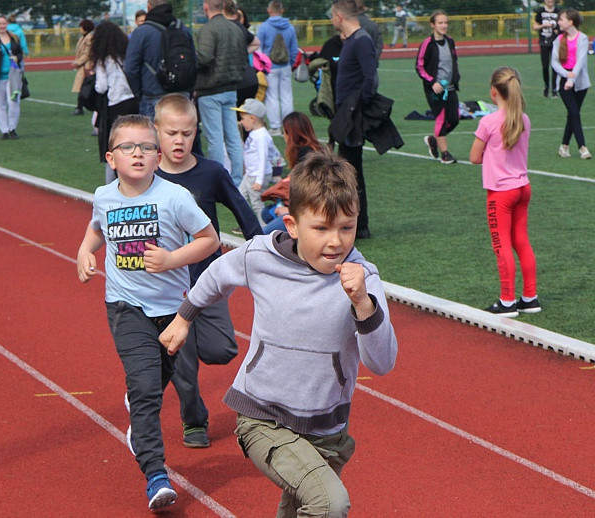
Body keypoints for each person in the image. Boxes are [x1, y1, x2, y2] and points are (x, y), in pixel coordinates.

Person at [160, 151, 398, 518]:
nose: (335, 241)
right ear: (292, 225)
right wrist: (184, 316)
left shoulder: (363, 278)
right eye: (321, 228)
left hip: (327, 430)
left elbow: (382, 363)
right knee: (329, 503)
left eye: (346, 227)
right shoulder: (261, 256)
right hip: (263, 416)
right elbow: (217, 274)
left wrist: (364, 305)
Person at [76, 114, 220, 511]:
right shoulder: (104, 196)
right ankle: (156, 475)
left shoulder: (174, 197)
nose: (137, 154)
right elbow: (97, 227)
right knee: (145, 390)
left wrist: (172, 259)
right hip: (125, 308)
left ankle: (138, 417)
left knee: (152, 387)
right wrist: (85, 251)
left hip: (173, 313)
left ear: (158, 157)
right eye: (127, 147)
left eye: (146, 147)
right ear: (111, 157)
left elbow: (210, 240)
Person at [153, 94, 262, 448]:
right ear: (157, 132)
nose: (179, 141)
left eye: (186, 133)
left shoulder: (211, 172)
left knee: (222, 350)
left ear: (196, 131)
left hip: (208, 280)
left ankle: (194, 334)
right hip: (167, 286)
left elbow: (243, 212)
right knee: (181, 361)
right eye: (171, 133)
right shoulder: (146, 177)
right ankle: (194, 421)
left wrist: (264, 251)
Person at [469, 67, 540, 317]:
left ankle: (507, 300)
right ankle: (530, 297)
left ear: (493, 91)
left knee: (502, 245)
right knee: (521, 241)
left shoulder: (488, 122)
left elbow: (474, 157)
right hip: (522, 188)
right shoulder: (524, 119)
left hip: (501, 193)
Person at [330, 0, 377, 240]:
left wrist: (357, 108)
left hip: (352, 114)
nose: (331, 20)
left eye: (332, 16)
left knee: (351, 170)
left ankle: (360, 225)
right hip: (346, 112)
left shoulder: (361, 40)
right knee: (348, 169)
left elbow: (371, 78)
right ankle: (355, 223)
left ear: (339, 16)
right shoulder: (352, 40)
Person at [194, 0, 248, 187]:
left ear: (206, 7)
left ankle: (217, 182)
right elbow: (244, 58)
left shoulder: (209, 29)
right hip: (231, 88)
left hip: (210, 90)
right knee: (233, 136)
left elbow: (204, 57)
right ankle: (237, 180)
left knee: (215, 138)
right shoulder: (236, 28)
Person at [124, 0, 196, 120]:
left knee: (153, 132)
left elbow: (130, 68)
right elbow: (193, 62)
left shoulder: (141, 32)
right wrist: (189, 89)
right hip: (181, 94)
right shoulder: (183, 29)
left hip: (153, 95)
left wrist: (139, 92)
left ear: (149, 6)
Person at [262, 111, 331, 234]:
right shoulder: (315, 149)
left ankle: (298, 238)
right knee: (267, 212)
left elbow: (310, 193)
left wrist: (288, 210)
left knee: (264, 233)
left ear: (291, 134)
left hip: (313, 210)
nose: (284, 136)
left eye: (285, 132)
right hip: (318, 207)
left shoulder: (305, 154)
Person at [92, 21, 139, 183]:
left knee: (115, 147)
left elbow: (101, 86)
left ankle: (112, 185)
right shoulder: (127, 54)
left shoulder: (103, 60)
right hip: (133, 100)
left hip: (116, 103)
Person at [416, 10, 461, 165]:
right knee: (441, 119)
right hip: (435, 89)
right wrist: (432, 82)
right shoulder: (427, 44)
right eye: (440, 23)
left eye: (446, 22)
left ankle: (434, 140)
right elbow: (419, 66)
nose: (444, 25)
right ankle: (445, 154)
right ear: (432, 25)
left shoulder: (450, 41)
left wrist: (456, 77)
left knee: (454, 119)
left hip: (450, 88)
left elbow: (453, 61)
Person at [551, 8, 591, 160]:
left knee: (572, 114)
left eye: (561, 19)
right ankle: (582, 147)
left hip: (580, 81)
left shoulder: (583, 39)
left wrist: (572, 79)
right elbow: (554, 62)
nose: (559, 22)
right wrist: (565, 75)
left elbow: (580, 61)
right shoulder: (558, 40)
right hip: (564, 79)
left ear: (570, 22)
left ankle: (564, 146)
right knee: (574, 113)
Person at [257, 1, 298, 136]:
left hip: (270, 67)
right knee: (287, 96)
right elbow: (294, 49)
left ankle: (275, 127)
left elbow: (259, 49)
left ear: (269, 10)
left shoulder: (264, 27)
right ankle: (289, 126)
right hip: (285, 65)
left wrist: (262, 66)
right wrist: (291, 63)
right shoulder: (290, 27)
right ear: (282, 10)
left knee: (271, 97)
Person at [231, 98, 273, 225]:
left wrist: (259, 180)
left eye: (243, 119)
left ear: (253, 119)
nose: (241, 122)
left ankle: (264, 228)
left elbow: (263, 158)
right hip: (250, 174)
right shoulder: (255, 134)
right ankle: (248, 224)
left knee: (256, 203)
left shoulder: (261, 136)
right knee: (240, 197)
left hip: (256, 176)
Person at [533, 0, 560, 98]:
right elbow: (534, 27)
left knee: (555, 66)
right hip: (544, 42)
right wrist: (544, 25)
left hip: (555, 42)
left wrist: (558, 30)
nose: (550, 1)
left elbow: (562, 26)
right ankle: (546, 86)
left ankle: (554, 89)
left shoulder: (558, 11)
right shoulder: (540, 11)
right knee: (545, 66)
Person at [71, 19, 94, 116]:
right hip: (83, 66)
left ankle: (80, 107)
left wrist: (78, 62)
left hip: (87, 66)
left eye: (81, 27)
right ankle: (79, 107)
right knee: (82, 87)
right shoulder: (83, 38)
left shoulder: (89, 38)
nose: (80, 29)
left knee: (84, 87)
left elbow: (87, 53)